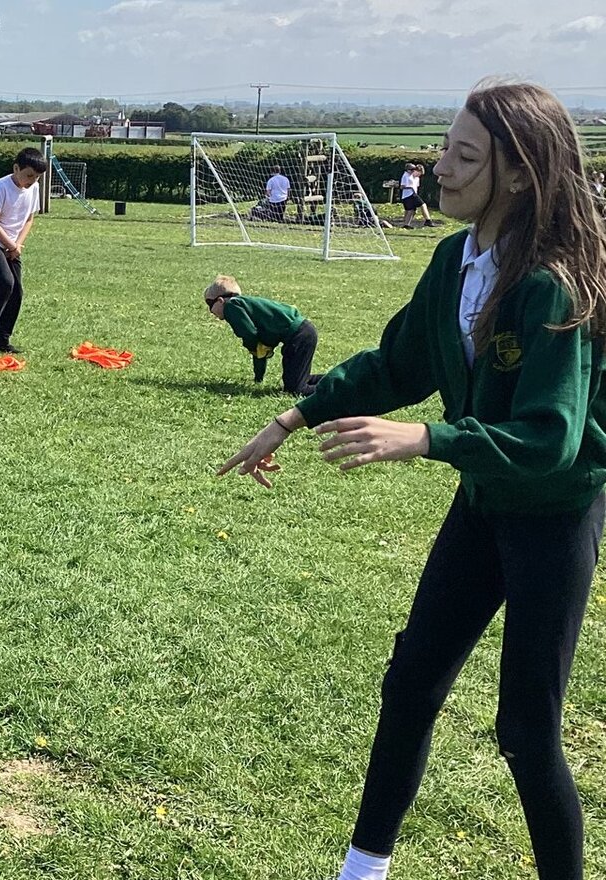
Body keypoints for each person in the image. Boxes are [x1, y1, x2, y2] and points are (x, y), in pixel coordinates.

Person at [218, 80, 606, 880]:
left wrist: (427, 438)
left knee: (525, 730)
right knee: (411, 686)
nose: (441, 167)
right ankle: (362, 871)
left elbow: (550, 439)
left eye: (464, 156)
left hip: (553, 515)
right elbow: (398, 363)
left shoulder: (549, 284)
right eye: (442, 148)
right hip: (484, 503)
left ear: (520, 174)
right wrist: (292, 417)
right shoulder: (452, 260)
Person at [0, 147, 47, 354]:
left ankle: (2, 339)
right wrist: (11, 245)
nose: (33, 181)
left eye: (37, 177)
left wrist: (18, 245)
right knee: (6, 282)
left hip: (13, 244)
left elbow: (29, 219)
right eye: (29, 175)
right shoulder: (0, 187)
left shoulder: (33, 188)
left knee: (17, 291)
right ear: (16, 168)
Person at [204, 275, 321, 395]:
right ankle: (331, 380)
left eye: (209, 304)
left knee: (296, 390)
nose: (210, 311)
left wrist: (252, 345)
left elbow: (249, 334)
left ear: (220, 301)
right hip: (301, 333)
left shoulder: (231, 306)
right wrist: (258, 377)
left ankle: (333, 391)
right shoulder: (245, 308)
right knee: (294, 381)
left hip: (299, 335)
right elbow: (259, 349)